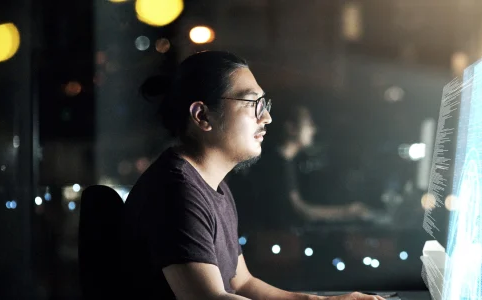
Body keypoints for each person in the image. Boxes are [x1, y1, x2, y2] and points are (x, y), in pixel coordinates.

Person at [120, 51, 385, 300]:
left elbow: (242, 283)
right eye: (252, 103)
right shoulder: (177, 192)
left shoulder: (214, 185)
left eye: (264, 103)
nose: (267, 117)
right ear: (202, 115)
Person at [245, 105, 369, 229]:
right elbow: (300, 210)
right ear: (291, 128)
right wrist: (347, 212)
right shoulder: (276, 164)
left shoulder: (287, 162)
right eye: (309, 124)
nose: (313, 130)